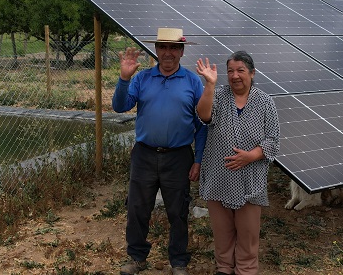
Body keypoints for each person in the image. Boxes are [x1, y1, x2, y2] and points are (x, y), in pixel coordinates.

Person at [112, 27, 206, 275]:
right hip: (144, 154)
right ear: (155, 50)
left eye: (173, 48)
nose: (168, 53)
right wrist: (124, 79)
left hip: (179, 156)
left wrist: (198, 160)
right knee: (137, 208)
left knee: (178, 210)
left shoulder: (192, 82)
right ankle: (137, 258)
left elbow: (202, 125)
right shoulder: (142, 78)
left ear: (181, 51)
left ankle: (178, 261)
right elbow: (120, 107)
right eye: (163, 47)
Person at [195, 51, 280, 275]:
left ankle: (246, 269)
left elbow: (273, 141)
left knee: (248, 234)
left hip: (250, 183)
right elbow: (203, 116)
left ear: (252, 73)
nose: (235, 76)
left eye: (241, 70)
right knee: (222, 233)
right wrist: (210, 85)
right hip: (219, 179)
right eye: (230, 71)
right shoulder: (219, 96)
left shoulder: (265, 102)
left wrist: (250, 156)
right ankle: (224, 267)